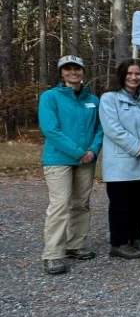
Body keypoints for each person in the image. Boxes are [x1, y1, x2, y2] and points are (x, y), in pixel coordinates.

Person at [38, 55, 103, 275]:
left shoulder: (93, 99)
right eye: (68, 69)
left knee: (81, 203)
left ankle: (75, 245)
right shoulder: (50, 97)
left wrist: (93, 150)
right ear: (61, 73)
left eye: (77, 69)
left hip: (87, 159)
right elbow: (50, 129)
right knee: (60, 204)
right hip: (59, 159)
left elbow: (99, 129)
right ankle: (53, 254)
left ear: (83, 72)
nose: (73, 72)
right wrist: (78, 153)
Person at [99, 59, 140, 259]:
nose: (134, 77)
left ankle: (135, 237)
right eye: (130, 73)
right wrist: (138, 147)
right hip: (121, 162)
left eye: (138, 74)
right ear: (122, 75)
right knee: (120, 204)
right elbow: (112, 129)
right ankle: (118, 242)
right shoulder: (109, 98)